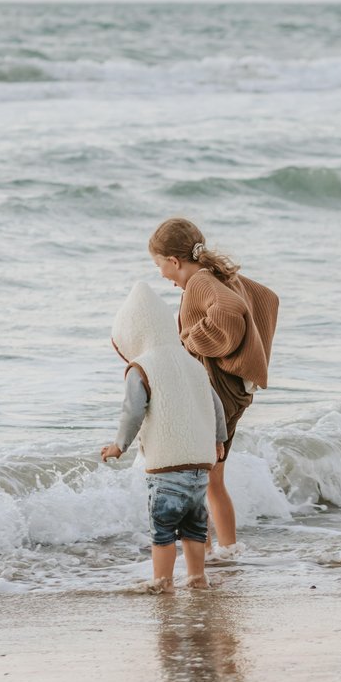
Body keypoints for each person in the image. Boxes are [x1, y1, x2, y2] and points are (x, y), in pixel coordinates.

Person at [148, 217, 279, 552]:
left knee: (200, 480)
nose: (161, 273)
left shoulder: (200, 283)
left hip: (216, 394)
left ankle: (203, 554)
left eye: (159, 265)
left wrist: (190, 341)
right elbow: (266, 298)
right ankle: (228, 552)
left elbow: (229, 310)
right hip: (233, 392)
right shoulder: (220, 275)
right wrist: (250, 354)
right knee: (212, 480)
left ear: (174, 262)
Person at [100, 280, 227, 591]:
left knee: (163, 528)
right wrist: (218, 441)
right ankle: (197, 577)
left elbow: (133, 411)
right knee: (195, 527)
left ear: (132, 334)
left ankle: (162, 581)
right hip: (200, 464)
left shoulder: (141, 368)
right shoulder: (192, 363)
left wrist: (120, 446)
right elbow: (216, 405)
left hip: (167, 466)